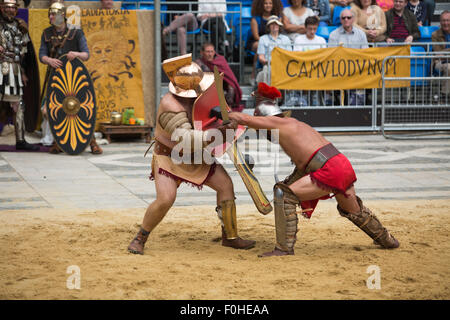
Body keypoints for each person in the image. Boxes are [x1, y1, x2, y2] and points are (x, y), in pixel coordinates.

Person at [224, 82, 400, 257]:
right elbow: (305, 164)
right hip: (340, 165)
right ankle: (387, 239)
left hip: (329, 170)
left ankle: (283, 248)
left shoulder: (277, 124)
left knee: (283, 194)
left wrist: (228, 116)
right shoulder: (294, 124)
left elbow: (244, 119)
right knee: (354, 211)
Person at [127, 55, 256, 255]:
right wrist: (218, 133)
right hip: (170, 157)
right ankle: (140, 238)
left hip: (195, 155)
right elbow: (185, 139)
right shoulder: (170, 106)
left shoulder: (199, 95)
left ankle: (230, 236)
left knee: (225, 186)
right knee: (166, 199)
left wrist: (226, 122)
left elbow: (208, 119)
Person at [38, 1, 103, 154]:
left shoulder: (76, 32)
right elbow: (42, 55)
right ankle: (58, 141)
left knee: (80, 109)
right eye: (50, 14)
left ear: (62, 15)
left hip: (75, 78)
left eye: (54, 14)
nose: (51, 17)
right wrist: (49, 60)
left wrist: (76, 54)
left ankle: (91, 141)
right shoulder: (47, 33)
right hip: (57, 78)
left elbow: (86, 55)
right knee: (54, 109)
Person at [0, 0, 39, 151]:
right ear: (1, 8)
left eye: (12, 7)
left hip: (15, 70)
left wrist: (23, 72)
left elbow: (24, 52)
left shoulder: (20, 26)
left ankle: (20, 140)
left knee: (18, 105)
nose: (9, 10)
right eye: (7, 7)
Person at [328, 9, 369, 106]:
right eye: (343, 18)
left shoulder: (361, 34)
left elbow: (365, 53)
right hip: (339, 71)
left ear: (353, 19)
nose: (346, 19)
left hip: (357, 71)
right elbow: (331, 55)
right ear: (341, 20)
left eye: (349, 17)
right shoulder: (333, 35)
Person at [195, 42, 244, 111]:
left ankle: (228, 107)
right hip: (205, 87)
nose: (210, 54)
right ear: (202, 52)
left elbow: (229, 76)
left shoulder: (220, 60)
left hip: (221, 85)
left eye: (211, 52)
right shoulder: (199, 63)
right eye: (207, 52)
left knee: (231, 88)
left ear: (214, 52)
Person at [247, 0, 283, 84]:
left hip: (272, 39)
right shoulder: (255, 19)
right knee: (259, 46)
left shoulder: (278, 18)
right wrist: (267, 43)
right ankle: (253, 73)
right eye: (266, 3)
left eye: (270, 3)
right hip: (257, 41)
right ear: (261, 5)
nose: (268, 5)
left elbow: (279, 32)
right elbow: (256, 36)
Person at [293, 16, 326, 106]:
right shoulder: (299, 39)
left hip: (317, 71)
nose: (312, 31)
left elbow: (323, 58)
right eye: (310, 28)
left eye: (314, 29)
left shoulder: (321, 40)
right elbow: (298, 57)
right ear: (305, 27)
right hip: (302, 70)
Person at [256, 15, 292, 85]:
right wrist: (270, 62)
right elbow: (261, 57)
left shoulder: (286, 39)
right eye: (272, 24)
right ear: (268, 26)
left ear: (279, 26)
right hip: (269, 64)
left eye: (276, 24)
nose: (274, 26)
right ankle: (268, 94)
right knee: (266, 71)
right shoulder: (263, 39)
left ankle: (283, 94)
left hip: (283, 65)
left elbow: (289, 55)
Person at [431, 10, 450, 95]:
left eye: (448, 20)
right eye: (443, 20)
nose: (446, 23)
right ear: (440, 22)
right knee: (449, 67)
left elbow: (442, 53)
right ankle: (444, 95)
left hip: (444, 59)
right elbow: (437, 53)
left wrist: (445, 52)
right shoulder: (435, 34)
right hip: (439, 62)